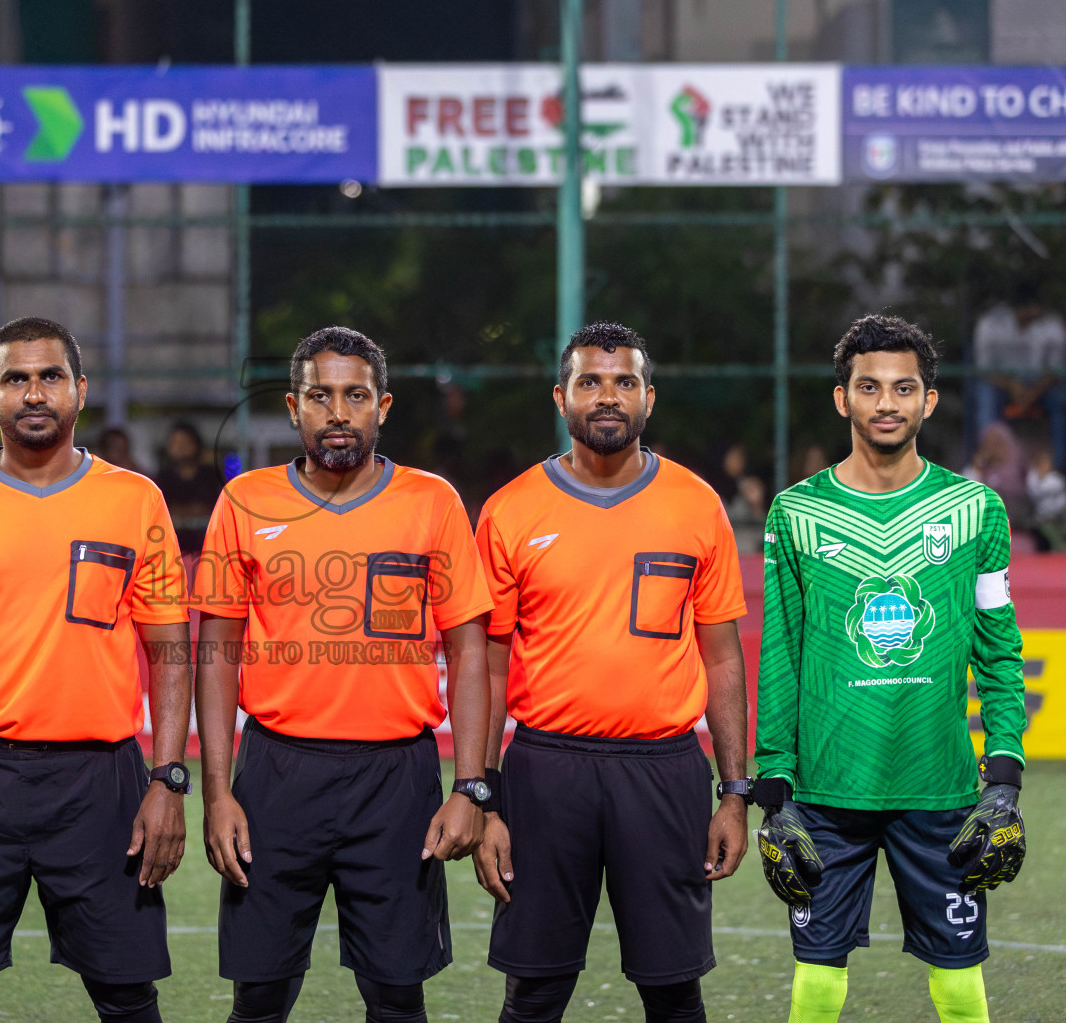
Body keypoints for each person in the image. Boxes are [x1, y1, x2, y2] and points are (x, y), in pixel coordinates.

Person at [0, 316, 192, 1023]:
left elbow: (169, 649)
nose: (34, 392)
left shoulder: (135, 499)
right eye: (16, 379)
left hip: (101, 779)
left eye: (50, 375)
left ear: (80, 390)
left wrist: (169, 779)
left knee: (126, 991)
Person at [194, 326, 493, 1023]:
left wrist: (471, 787)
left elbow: (469, 652)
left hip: (397, 780)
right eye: (318, 396)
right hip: (275, 773)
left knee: (396, 997)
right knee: (259, 997)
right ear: (293, 409)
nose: (337, 412)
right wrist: (215, 792)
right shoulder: (244, 502)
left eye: (354, 395)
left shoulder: (433, 503)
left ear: (382, 407)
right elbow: (217, 652)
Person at [471, 321, 750, 1023]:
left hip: (663, 770)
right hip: (545, 769)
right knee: (533, 990)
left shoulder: (696, 505)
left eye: (623, 381)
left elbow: (722, 656)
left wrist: (735, 793)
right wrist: (484, 797)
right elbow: (489, 665)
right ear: (560, 397)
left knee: (673, 988)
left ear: (647, 398)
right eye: (590, 381)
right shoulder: (509, 510)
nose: (607, 395)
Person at [756, 314, 1027, 1023]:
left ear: (928, 401)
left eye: (903, 388)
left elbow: (999, 651)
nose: (886, 403)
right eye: (869, 388)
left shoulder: (974, 511)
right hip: (824, 793)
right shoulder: (796, 514)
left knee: (961, 989)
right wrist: (773, 787)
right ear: (841, 398)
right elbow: (779, 652)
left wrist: (1002, 779)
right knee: (816, 988)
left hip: (940, 793)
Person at [972, 283, 1065, 470]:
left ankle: (1058, 467)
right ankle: (985, 465)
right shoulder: (991, 325)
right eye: (1028, 307)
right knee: (985, 395)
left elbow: (1056, 371)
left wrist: (1031, 393)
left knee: (1060, 399)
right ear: (1015, 307)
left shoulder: (1052, 327)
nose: (1033, 312)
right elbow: (983, 370)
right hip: (1001, 385)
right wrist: (1011, 385)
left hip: (1041, 387)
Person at [154, 420, 226, 553]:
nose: (180, 448)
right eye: (175, 443)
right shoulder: (161, 478)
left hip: (209, 550)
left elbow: (222, 510)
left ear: (196, 444)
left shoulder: (212, 476)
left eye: (185, 442)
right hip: (172, 552)